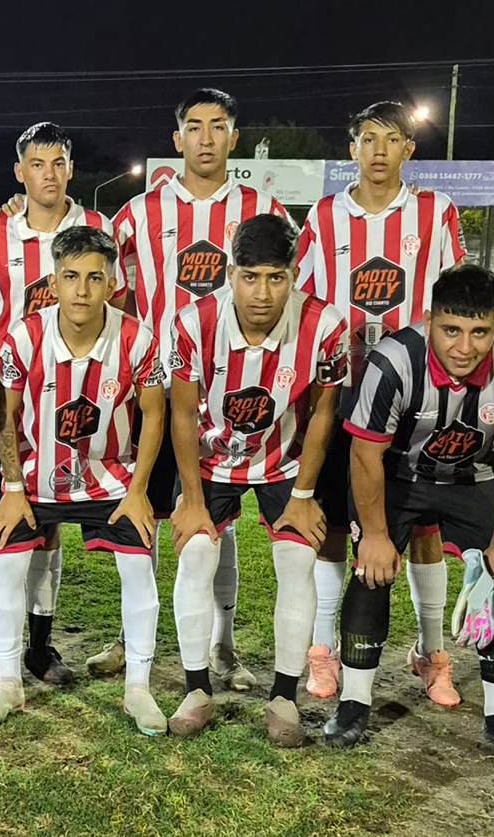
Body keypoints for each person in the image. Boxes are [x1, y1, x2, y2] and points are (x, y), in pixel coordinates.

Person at [95, 88, 292, 686]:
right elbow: (113, 294)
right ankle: (132, 636)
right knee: (146, 512)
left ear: (234, 136)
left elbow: (287, 290)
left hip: (238, 393)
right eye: (195, 126)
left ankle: (221, 644)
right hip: (156, 391)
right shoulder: (138, 213)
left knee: (216, 519)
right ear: (177, 138)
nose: (206, 138)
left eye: (218, 125)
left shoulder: (264, 207)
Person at [323, 264, 494, 764]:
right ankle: (354, 702)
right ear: (428, 321)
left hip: (477, 476)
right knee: (371, 570)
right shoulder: (392, 361)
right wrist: (375, 536)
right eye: (451, 330)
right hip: (398, 474)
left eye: (479, 332)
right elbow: (365, 454)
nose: (464, 347)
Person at [297, 101, 466, 703]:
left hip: (416, 397)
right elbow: (303, 302)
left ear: (408, 150)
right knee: (331, 521)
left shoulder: (436, 211)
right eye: (367, 138)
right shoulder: (323, 216)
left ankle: (430, 651)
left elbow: (455, 298)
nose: (377, 150)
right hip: (341, 392)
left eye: (391, 139)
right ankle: (323, 650)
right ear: (352, 149)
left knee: (422, 525)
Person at [0, 122, 121, 691]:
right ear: (19, 172)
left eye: (59, 162)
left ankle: (40, 647)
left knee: (48, 525)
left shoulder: (97, 227)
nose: (49, 174)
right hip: (1, 394)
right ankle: (1, 648)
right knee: (5, 516)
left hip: (72, 392)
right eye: (37, 164)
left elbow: (116, 300)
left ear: (72, 169)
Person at [0, 226, 168, 736]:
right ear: (53, 282)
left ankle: (138, 688)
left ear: (112, 284)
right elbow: (4, 416)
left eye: (94, 278)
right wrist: (11, 490)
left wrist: (138, 490)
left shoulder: (137, 338)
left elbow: (154, 414)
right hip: (36, 482)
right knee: (7, 567)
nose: (82, 290)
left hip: (111, 480)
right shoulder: (24, 336)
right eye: (71, 277)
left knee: (138, 568)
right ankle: (9, 682)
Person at [167, 214, 347, 746]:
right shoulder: (192, 323)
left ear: (294, 275)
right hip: (210, 458)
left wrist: (304, 495)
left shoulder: (325, 325)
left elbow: (323, 411)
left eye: (275, 278)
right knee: (196, 552)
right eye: (250, 277)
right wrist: (192, 500)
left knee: (298, 558)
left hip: (283, 460)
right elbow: (182, 414)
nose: (262, 293)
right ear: (230, 274)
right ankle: (197, 691)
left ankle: (284, 698)